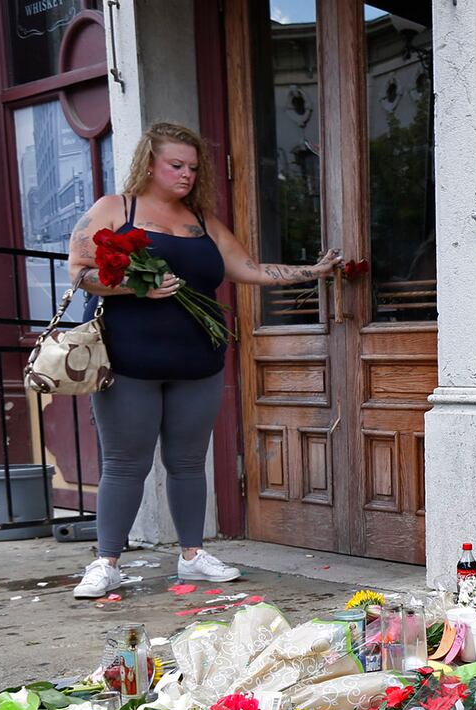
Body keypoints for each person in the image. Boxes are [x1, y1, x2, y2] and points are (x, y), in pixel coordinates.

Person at [66, 122, 339, 600]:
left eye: (193, 167)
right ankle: (106, 562)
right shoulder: (115, 209)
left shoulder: (202, 222)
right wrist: (137, 286)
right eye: (176, 165)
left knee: (189, 461)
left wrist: (312, 272)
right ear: (149, 163)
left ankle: (192, 555)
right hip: (128, 359)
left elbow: (247, 268)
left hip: (199, 359)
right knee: (125, 464)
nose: (186, 174)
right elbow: (81, 273)